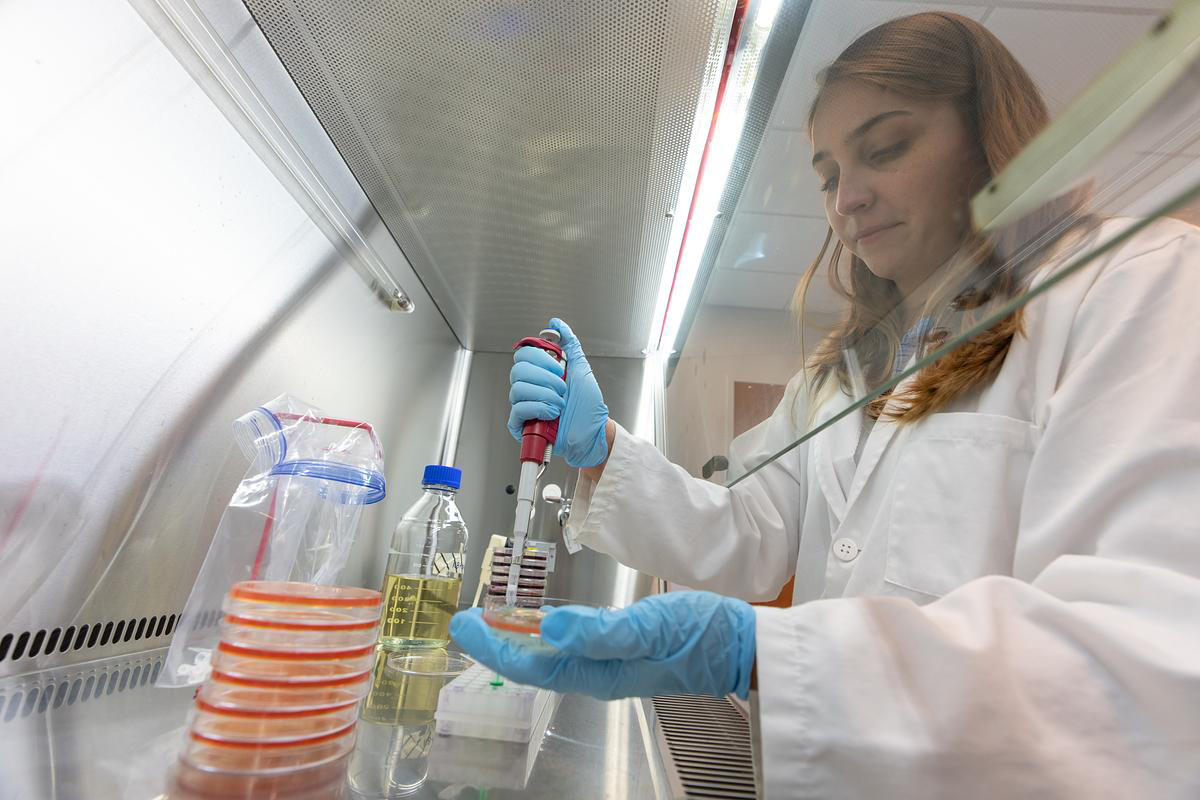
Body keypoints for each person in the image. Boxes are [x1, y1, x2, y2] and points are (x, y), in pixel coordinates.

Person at [451, 11, 1200, 798]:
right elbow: (750, 533)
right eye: (828, 174)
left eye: (885, 148)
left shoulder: (1133, 282)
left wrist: (766, 654)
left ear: (989, 140)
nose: (848, 199)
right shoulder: (847, 372)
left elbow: (1146, 649)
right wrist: (601, 447)